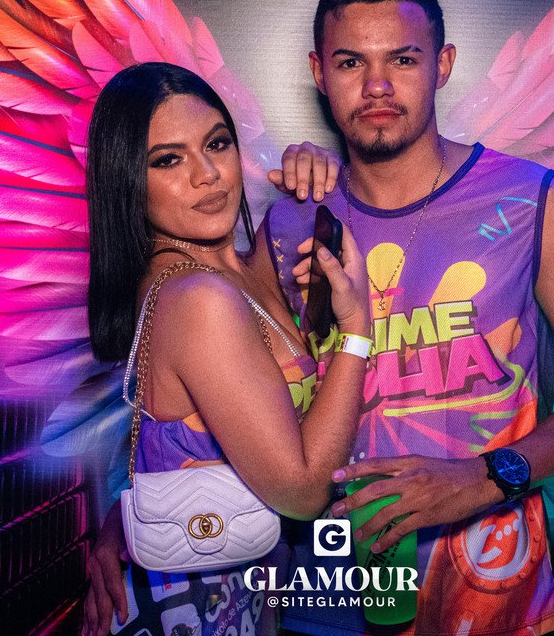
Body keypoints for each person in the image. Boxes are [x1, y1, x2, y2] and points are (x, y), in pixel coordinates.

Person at [263, 0, 554, 635]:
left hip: (490, 596)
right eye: (351, 62)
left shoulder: (533, 201)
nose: (377, 85)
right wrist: (125, 529)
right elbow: (220, 389)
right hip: (325, 600)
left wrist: (485, 476)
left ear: (441, 65)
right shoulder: (289, 219)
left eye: (403, 59)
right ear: (319, 73)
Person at [80, 62, 372, 636]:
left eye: (216, 143)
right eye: (168, 160)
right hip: (189, 614)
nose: (208, 174)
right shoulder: (198, 299)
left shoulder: (242, 271)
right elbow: (304, 492)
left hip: (251, 603)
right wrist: (357, 328)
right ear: (126, 182)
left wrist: (320, 167)